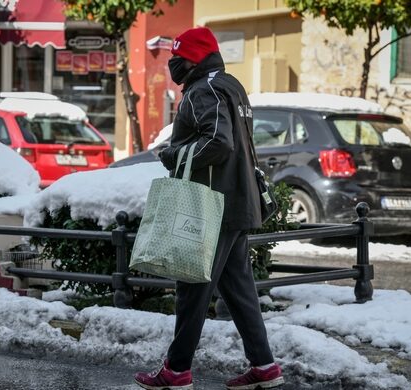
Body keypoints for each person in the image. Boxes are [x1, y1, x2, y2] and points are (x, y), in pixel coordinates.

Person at [133, 27, 284, 390]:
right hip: (234, 202)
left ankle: (177, 370)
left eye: (178, 58)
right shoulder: (230, 85)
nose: (173, 64)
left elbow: (219, 142)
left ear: (195, 58)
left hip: (210, 206)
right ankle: (264, 367)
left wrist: (173, 155)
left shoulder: (206, 89)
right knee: (238, 289)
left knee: (192, 288)